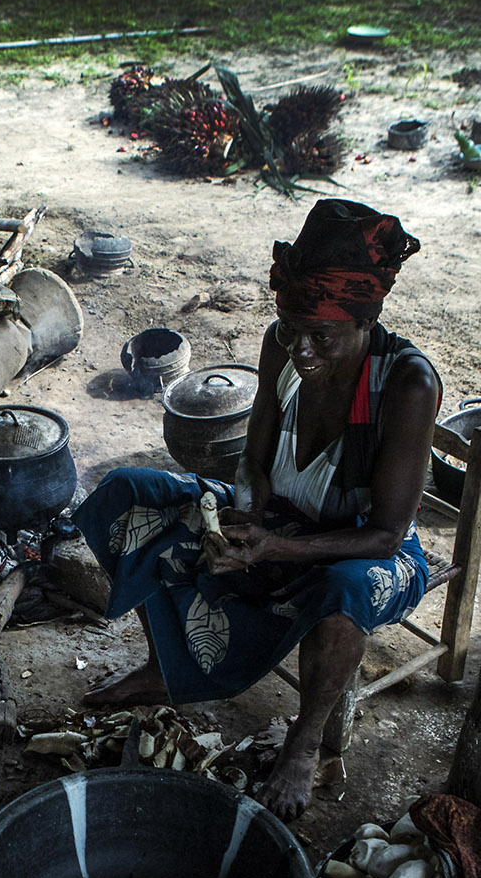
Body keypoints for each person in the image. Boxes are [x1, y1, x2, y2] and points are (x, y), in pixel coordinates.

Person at [75, 198, 442, 820]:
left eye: (321, 337)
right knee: (131, 493)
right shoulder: (284, 344)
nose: (302, 351)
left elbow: (386, 535)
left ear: (365, 320)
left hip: (365, 548)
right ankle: (165, 665)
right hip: (281, 522)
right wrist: (243, 518)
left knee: (343, 593)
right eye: (294, 330)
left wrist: (278, 549)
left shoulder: (407, 384)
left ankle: (304, 740)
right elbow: (255, 458)